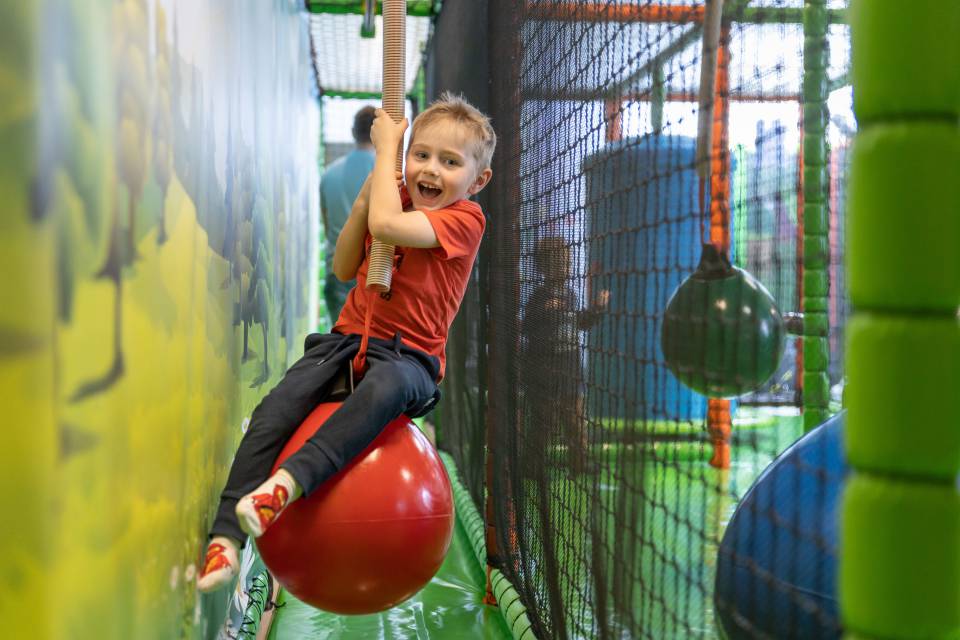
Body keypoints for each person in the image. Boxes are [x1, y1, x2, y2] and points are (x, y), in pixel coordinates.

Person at [197, 93, 495, 592]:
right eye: (420, 154)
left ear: (476, 180)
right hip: (347, 340)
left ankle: (286, 485)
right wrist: (367, 196)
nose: (430, 170)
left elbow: (387, 227)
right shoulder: (391, 192)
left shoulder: (466, 220)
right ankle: (225, 540)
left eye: (450, 162)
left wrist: (385, 157)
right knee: (277, 407)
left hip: (409, 357)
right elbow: (341, 267)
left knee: (383, 393)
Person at [520, 236, 609, 473]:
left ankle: (580, 463)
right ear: (544, 268)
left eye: (566, 264)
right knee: (543, 421)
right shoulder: (539, 297)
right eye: (558, 265)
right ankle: (532, 465)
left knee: (576, 419)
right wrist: (545, 310)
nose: (565, 269)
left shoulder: (569, 294)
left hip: (569, 364)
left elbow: (579, 322)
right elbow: (527, 326)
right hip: (544, 368)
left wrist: (597, 310)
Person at [320, 106, 377, 325]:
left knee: (340, 348)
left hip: (337, 271)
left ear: (354, 132)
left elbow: (327, 228)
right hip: (374, 273)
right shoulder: (388, 174)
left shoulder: (329, 174)